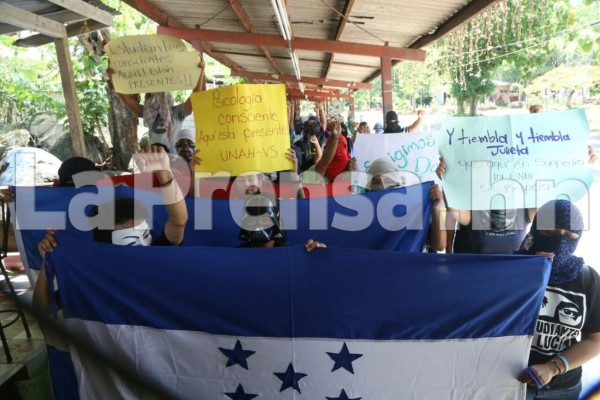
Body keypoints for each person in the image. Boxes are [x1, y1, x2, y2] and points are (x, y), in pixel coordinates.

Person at [33, 145, 188, 313]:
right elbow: (42, 308)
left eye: (145, 235)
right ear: (107, 245)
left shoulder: (159, 255)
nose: (144, 245)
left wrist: (164, 172)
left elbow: (178, 220)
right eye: (131, 241)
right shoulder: (94, 280)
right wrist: (46, 262)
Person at [517, 200, 600, 400]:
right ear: (536, 230)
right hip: (509, 381)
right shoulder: (511, 270)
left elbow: (595, 339)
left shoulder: (587, 279)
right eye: (550, 234)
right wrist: (528, 272)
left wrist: (553, 367)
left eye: (569, 236)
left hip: (564, 387)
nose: (560, 242)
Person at [106, 58, 205, 151]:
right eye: (151, 96)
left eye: (161, 95)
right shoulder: (149, 113)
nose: (157, 99)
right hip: (155, 158)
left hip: (173, 160)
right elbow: (128, 100)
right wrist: (113, 77)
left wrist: (200, 71)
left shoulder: (177, 113)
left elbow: (194, 98)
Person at [364, 157, 445, 252]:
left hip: (406, 266)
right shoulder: (361, 214)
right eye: (376, 182)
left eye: (388, 181)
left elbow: (439, 245)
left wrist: (437, 209)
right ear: (368, 187)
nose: (382, 186)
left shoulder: (413, 210)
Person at [237, 193, 325, 252]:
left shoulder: (289, 254)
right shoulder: (236, 255)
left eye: (265, 220)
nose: (258, 226)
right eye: (252, 221)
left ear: (279, 222)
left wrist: (315, 254)